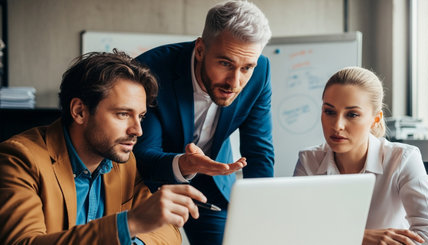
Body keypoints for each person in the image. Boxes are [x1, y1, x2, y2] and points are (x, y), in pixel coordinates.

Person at [0, 50, 209, 244]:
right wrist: (129, 224)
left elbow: (167, 231)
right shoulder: (18, 159)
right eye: (123, 114)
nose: (138, 130)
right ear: (80, 111)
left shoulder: (123, 162)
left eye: (141, 117)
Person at [133, 1, 274, 244]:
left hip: (214, 186)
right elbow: (144, 153)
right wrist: (184, 165)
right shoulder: (151, 70)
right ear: (200, 49)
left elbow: (259, 151)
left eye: (246, 67)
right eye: (225, 64)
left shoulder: (260, 70)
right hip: (149, 185)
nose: (235, 82)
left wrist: (259, 211)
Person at [294, 66, 428, 244]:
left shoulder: (402, 159)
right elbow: (294, 231)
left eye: (352, 114)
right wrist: (359, 237)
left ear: (375, 119)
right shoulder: (309, 161)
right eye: (329, 112)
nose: (337, 125)